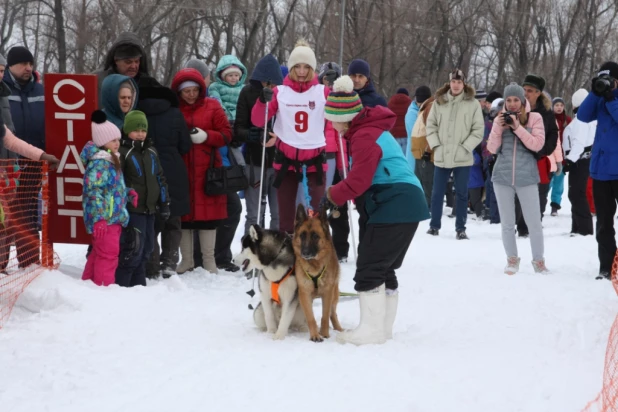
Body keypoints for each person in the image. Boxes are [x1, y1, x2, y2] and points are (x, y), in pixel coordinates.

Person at [321, 76, 429, 345]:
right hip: (404, 201)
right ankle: (381, 329)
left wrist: (332, 195)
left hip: (396, 201)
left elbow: (359, 181)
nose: (330, 124)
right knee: (384, 267)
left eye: (331, 118)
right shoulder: (368, 130)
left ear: (342, 117)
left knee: (370, 266)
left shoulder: (364, 135)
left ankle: (371, 331)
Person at [250, 40, 330, 234]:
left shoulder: (323, 92)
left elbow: (339, 116)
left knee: (317, 218)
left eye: (306, 67)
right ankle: (288, 258)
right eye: (297, 67)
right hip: (286, 162)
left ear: (312, 69)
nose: (301, 71)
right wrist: (262, 101)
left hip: (315, 162)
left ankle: (316, 257)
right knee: (286, 219)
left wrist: (341, 93)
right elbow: (258, 120)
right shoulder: (280, 92)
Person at [171, 68, 230, 274]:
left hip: (208, 171)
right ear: (178, 92)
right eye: (186, 91)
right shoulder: (174, 110)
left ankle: (209, 261)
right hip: (183, 169)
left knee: (209, 217)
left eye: (194, 90)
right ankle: (186, 260)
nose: (190, 95)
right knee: (184, 216)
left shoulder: (213, 106)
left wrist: (206, 136)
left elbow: (226, 134)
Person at [487, 83, 548, 274]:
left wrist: (517, 127)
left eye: (516, 100)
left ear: (522, 101)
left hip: (527, 176)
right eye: (509, 100)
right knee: (507, 222)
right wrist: (499, 127)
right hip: (502, 176)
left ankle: (539, 261)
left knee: (534, 223)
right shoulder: (499, 119)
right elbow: (491, 148)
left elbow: (537, 145)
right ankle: (512, 260)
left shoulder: (534, 118)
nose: (512, 104)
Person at [137, 75, 191, 278]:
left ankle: (151, 265)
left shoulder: (137, 112)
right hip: (174, 169)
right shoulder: (175, 113)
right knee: (173, 219)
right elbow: (185, 145)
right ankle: (169, 262)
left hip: (146, 169)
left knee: (151, 219)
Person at [425, 69, 485, 239]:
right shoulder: (439, 102)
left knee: (461, 193)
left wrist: (466, 147)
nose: (456, 85)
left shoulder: (472, 104)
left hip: (462, 156)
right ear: (449, 83)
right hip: (442, 155)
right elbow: (431, 126)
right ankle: (434, 226)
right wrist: (436, 145)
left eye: (459, 82)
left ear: (463, 83)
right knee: (437, 193)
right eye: (453, 82)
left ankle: (461, 228)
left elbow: (478, 129)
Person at [115, 110, 169, 287]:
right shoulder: (123, 152)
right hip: (133, 210)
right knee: (133, 249)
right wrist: (125, 199)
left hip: (150, 210)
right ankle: (123, 285)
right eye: (136, 129)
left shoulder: (151, 151)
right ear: (127, 130)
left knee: (146, 249)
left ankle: (139, 287)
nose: (140, 134)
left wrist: (164, 202)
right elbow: (117, 181)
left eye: (143, 130)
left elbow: (159, 178)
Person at [4, 46, 47, 267]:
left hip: (34, 160)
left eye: (30, 64)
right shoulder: (3, 89)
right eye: (23, 64)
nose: (28, 68)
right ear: (11, 66)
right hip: (7, 161)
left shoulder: (40, 91)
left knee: (28, 210)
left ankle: (29, 262)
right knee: (5, 214)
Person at [80, 111, 131, 286]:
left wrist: (128, 193)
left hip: (111, 217)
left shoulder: (110, 160)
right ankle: (104, 289)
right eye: (113, 140)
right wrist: (99, 218)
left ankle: (88, 285)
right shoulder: (100, 163)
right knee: (108, 255)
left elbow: (111, 189)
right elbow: (94, 192)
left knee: (99, 253)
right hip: (105, 219)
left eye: (118, 139)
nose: (118, 143)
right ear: (102, 142)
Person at [577, 61, 618, 280]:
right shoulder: (600, 98)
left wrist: (612, 98)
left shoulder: (612, 100)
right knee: (603, 223)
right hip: (601, 171)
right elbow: (582, 116)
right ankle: (607, 266)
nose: (606, 83)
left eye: (609, 79)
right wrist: (595, 92)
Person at [234, 54, 283, 234]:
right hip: (254, 161)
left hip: (278, 162)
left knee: (278, 214)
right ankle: (250, 249)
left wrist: (278, 137)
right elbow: (238, 129)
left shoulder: (283, 95)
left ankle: (276, 250)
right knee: (253, 214)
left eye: (273, 82)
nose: (269, 86)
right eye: (265, 81)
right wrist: (253, 135)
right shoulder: (247, 93)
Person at [208, 55, 247, 272]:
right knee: (219, 210)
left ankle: (221, 254)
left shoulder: (241, 93)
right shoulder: (214, 95)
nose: (233, 79)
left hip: (228, 166)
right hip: (215, 168)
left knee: (233, 208)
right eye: (229, 75)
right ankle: (210, 255)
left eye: (236, 75)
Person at [516, 74, 559, 237]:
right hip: (520, 159)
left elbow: (553, 133)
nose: (526, 93)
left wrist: (543, 150)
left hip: (540, 159)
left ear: (538, 93)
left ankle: (534, 224)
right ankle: (521, 226)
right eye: (524, 90)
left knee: (540, 194)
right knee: (520, 194)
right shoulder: (516, 108)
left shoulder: (546, 111)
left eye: (530, 91)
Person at [563, 89, 595, 237]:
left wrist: (570, 160)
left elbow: (579, 142)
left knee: (577, 193)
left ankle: (584, 228)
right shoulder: (586, 119)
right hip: (580, 159)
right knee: (575, 193)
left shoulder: (582, 121)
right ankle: (577, 226)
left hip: (580, 160)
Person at [94, 32, 149, 105]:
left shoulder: (148, 85)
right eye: (128, 62)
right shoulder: (97, 82)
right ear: (116, 61)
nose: (133, 66)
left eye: (137, 61)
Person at [388, 88, 413, 153]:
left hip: (394, 135)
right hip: (406, 135)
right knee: (406, 159)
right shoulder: (410, 103)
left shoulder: (390, 103)